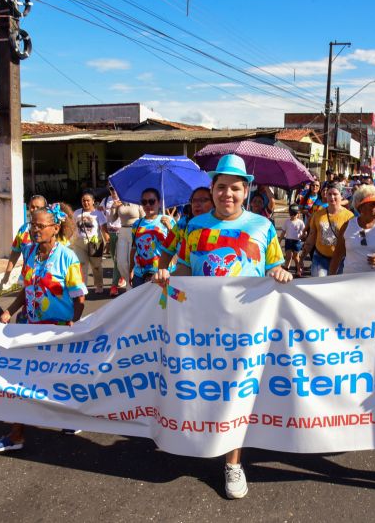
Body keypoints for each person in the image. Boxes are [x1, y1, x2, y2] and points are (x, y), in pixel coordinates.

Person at [154, 154, 291, 499]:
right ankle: (201, 437)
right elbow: (184, 270)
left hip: (247, 327)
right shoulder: (194, 226)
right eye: (221, 187)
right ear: (212, 189)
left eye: (234, 187)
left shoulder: (262, 227)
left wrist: (279, 273)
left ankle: (233, 462)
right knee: (203, 387)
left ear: (245, 191)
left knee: (238, 393)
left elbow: (275, 266)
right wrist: (168, 277)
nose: (226, 193)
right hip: (200, 326)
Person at [0, 204, 87, 452]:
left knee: (59, 380)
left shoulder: (67, 257)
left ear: (55, 229)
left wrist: (72, 325)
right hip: (29, 328)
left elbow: (79, 297)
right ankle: (17, 434)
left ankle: (70, 418)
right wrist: (9, 310)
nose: (34, 230)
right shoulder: (30, 253)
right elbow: (26, 289)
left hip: (57, 332)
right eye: (32, 224)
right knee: (22, 379)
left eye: (40, 226)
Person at [329, 185, 375, 274]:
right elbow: (337, 255)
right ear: (360, 207)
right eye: (373, 204)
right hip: (350, 282)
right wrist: (330, 279)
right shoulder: (347, 226)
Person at [300, 185, 353, 277]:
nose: (332, 197)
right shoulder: (318, 215)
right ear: (326, 196)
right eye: (329, 194)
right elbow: (312, 236)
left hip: (340, 260)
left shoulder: (349, 216)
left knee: (336, 288)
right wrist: (301, 259)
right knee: (319, 286)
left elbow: (352, 241)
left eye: (335, 194)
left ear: (341, 196)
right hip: (320, 258)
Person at [159, 186, 214, 271]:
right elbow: (167, 251)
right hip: (183, 279)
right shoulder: (182, 225)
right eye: (194, 200)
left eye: (203, 200)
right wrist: (161, 273)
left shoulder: (221, 225)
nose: (197, 204)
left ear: (214, 203)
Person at [0, 195, 48, 290]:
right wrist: (7, 274)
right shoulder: (23, 230)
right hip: (27, 277)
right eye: (32, 207)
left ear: (45, 209)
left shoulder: (50, 229)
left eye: (38, 207)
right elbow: (15, 253)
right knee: (28, 304)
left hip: (46, 277)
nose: (34, 210)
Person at [129, 188, 173, 288]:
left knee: (163, 303)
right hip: (140, 274)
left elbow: (178, 246)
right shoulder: (137, 224)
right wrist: (130, 270)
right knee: (141, 303)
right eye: (144, 202)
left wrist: (170, 228)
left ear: (159, 202)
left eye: (152, 201)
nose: (148, 205)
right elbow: (134, 248)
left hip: (162, 273)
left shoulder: (168, 220)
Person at [107, 191, 145, 295]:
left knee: (132, 259)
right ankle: (128, 281)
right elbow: (112, 219)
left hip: (135, 231)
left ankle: (133, 284)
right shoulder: (119, 203)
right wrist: (113, 207)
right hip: (122, 231)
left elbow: (144, 218)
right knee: (121, 262)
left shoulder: (138, 203)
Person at [74, 191, 109, 295]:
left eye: (88, 200)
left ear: (93, 201)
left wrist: (107, 241)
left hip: (95, 242)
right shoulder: (76, 213)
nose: (86, 203)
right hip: (80, 243)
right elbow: (71, 227)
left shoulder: (98, 213)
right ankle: (82, 286)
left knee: (96, 266)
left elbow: (103, 228)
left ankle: (99, 285)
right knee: (81, 264)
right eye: (83, 200)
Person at [99, 184, 123, 295]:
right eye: (111, 188)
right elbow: (100, 218)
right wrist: (105, 234)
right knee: (114, 258)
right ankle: (121, 275)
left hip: (122, 233)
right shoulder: (105, 201)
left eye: (115, 188)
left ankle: (113, 286)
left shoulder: (124, 199)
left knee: (118, 259)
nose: (114, 190)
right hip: (110, 233)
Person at [280, 204, 305, 277]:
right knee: (288, 256)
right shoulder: (287, 222)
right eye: (291, 214)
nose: (293, 215)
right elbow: (283, 232)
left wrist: (304, 235)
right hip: (288, 241)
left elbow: (304, 231)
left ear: (298, 214)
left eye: (294, 214)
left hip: (297, 242)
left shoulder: (300, 222)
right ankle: (286, 268)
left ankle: (298, 269)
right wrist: (279, 240)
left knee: (296, 257)